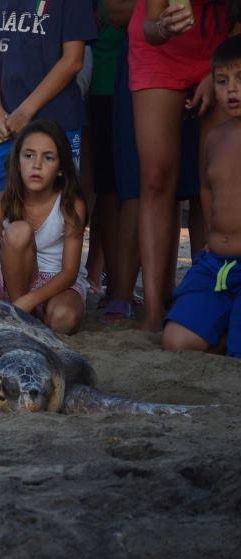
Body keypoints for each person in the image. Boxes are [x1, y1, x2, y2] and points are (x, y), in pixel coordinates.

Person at [0, 0, 95, 279]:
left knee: (62, 201)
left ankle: (51, 282)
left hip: (56, 120)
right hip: (6, 120)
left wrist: (26, 110)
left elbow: (73, 60)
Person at [129, 0, 236, 332]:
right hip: (158, 51)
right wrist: (165, 26)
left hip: (226, 49)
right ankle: (154, 308)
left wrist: (217, 74)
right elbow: (151, 26)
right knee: (156, 178)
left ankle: (217, 294)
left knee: (217, 174)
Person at [163, 36, 241, 357]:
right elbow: (208, 190)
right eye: (222, 81)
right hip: (215, 263)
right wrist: (211, 235)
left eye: (240, 79)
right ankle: (223, 327)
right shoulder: (213, 138)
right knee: (176, 340)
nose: (232, 89)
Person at [0, 120, 89, 334]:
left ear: (61, 169)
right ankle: (21, 317)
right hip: (14, 280)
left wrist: (32, 299)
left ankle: (24, 312)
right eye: (28, 156)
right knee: (19, 231)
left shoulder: (71, 204)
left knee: (63, 319)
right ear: (17, 163)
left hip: (58, 282)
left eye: (48, 158)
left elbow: (69, 272)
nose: (36, 165)